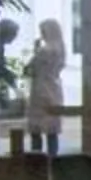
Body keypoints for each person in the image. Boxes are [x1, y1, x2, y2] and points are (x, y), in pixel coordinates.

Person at [22, 19, 65, 154]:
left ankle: (37, 159)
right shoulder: (61, 50)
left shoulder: (44, 51)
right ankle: (53, 158)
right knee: (52, 130)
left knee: (36, 129)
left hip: (40, 89)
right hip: (55, 88)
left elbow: (29, 69)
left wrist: (35, 51)